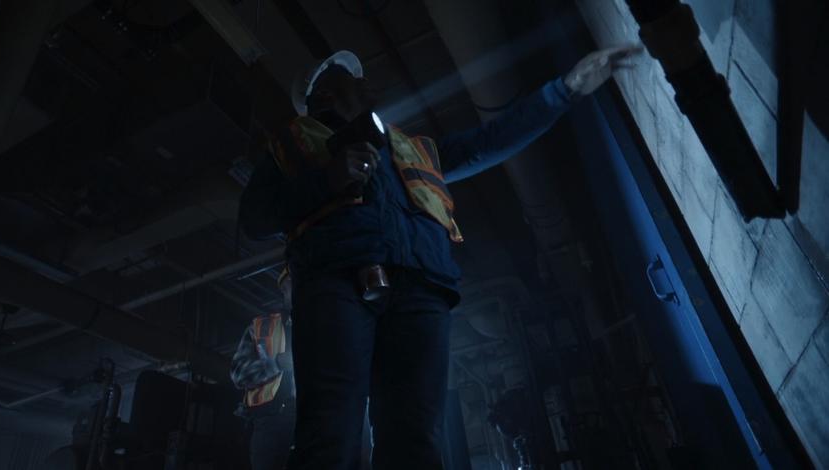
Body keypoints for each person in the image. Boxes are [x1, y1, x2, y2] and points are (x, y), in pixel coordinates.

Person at [238, 46, 639, 469]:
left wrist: (567, 89)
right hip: (335, 280)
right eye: (344, 77)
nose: (360, 83)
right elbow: (255, 220)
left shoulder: (411, 149)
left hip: (420, 289)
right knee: (331, 430)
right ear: (320, 96)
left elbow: (488, 142)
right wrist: (329, 177)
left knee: (416, 435)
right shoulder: (294, 146)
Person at [230, 268, 296, 470]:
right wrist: (275, 364)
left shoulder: (327, 325)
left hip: (313, 421)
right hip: (270, 422)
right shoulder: (262, 327)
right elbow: (238, 373)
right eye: (286, 289)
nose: (289, 293)